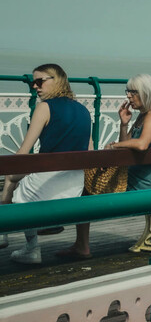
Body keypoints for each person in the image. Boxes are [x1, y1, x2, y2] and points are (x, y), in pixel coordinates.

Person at [57, 74, 151, 260]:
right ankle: (80, 244)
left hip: (138, 188)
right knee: (85, 186)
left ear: (145, 93)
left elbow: (141, 144)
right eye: (128, 92)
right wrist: (124, 124)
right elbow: (128, 148)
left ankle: (80, 245)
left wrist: (113, 146)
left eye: (133, 92)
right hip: (130, 180)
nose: (128, 97)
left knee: (85, 191)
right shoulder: (144, 116)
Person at [1, 64, 91, 263]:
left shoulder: (44, 107)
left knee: (11, 177)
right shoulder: (84, 110)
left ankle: (25, 244)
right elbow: (90, 152)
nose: (34, 86)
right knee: (17, 178)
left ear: (56, 80)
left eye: (39, 81)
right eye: (33, 82)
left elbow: (23, 153)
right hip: (75, 185)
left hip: (45, 185)